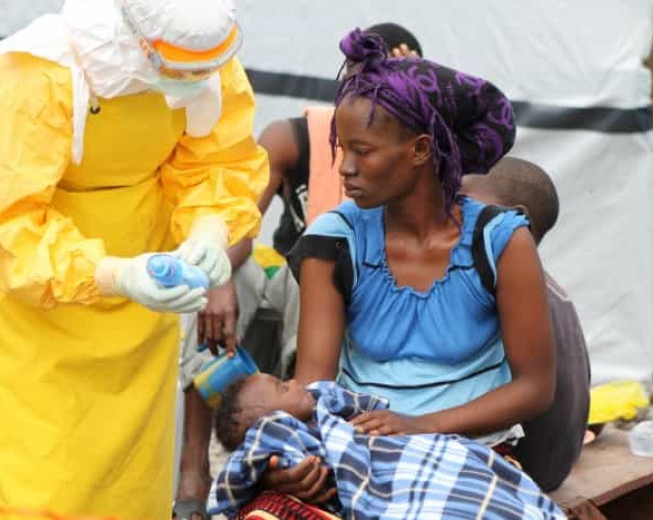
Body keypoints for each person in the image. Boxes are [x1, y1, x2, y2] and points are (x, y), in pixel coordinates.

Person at [0, 0, 268, 518]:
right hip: (27, 300)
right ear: (137, 42)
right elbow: (3, 224)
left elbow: (218, 159)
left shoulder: (201, 54)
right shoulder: (34, 74)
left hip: (140, 284)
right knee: (27, 465)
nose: (196, 82)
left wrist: (210, 226)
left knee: (127, 465)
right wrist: (112, 273)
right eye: (180, 71)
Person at [265, 28, 555, 502]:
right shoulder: (333, 240)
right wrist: (295, 457)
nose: (345, 168)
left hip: (472, 450)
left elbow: (536, 387)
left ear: (420, 150)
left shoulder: (500, 241)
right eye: (342, 149)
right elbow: (315, 386)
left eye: (363, 151)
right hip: (359, 448)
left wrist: (421, 425)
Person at [174, 23, 423, 520]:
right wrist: (218, 278)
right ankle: (193, 464)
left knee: (314, 269)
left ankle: (304, 434)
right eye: (363, 82)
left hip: (348, 300)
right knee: (212, 276)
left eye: (391, 87)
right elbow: (239, 221)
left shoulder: (416, 154)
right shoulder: (293, 137)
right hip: (282, 289)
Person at [207, 374, 565, 519]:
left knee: (476, 477)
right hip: (392, 489)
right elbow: (247, 467)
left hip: (427, 452)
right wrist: (268, 470)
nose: (295, 381)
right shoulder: (278, 432)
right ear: (265, 422)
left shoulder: (328, 407)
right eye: (282, 388)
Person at [461, 157, 591, 491]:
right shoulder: (549, 287)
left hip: (519, 471)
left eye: (464, 204)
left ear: (517, 218)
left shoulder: (495, 287)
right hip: (556, 466)